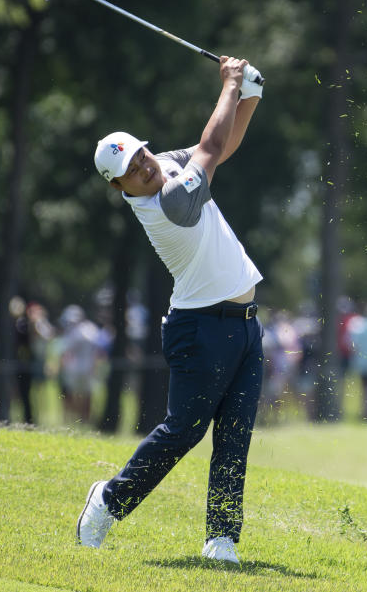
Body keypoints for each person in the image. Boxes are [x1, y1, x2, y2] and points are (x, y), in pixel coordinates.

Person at [76, 57, 264, 565]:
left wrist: (249, 96)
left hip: (245, 326)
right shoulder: (169, 205)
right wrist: (229, 85)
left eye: (140, 154)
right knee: (183, 431)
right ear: (120, 189)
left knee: (234, 436)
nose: (143, 166)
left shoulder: (166, 165)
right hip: (200, 329)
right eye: (131, 171)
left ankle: (221, 538)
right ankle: (108, 502)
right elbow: (208, 146)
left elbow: (219, 148)